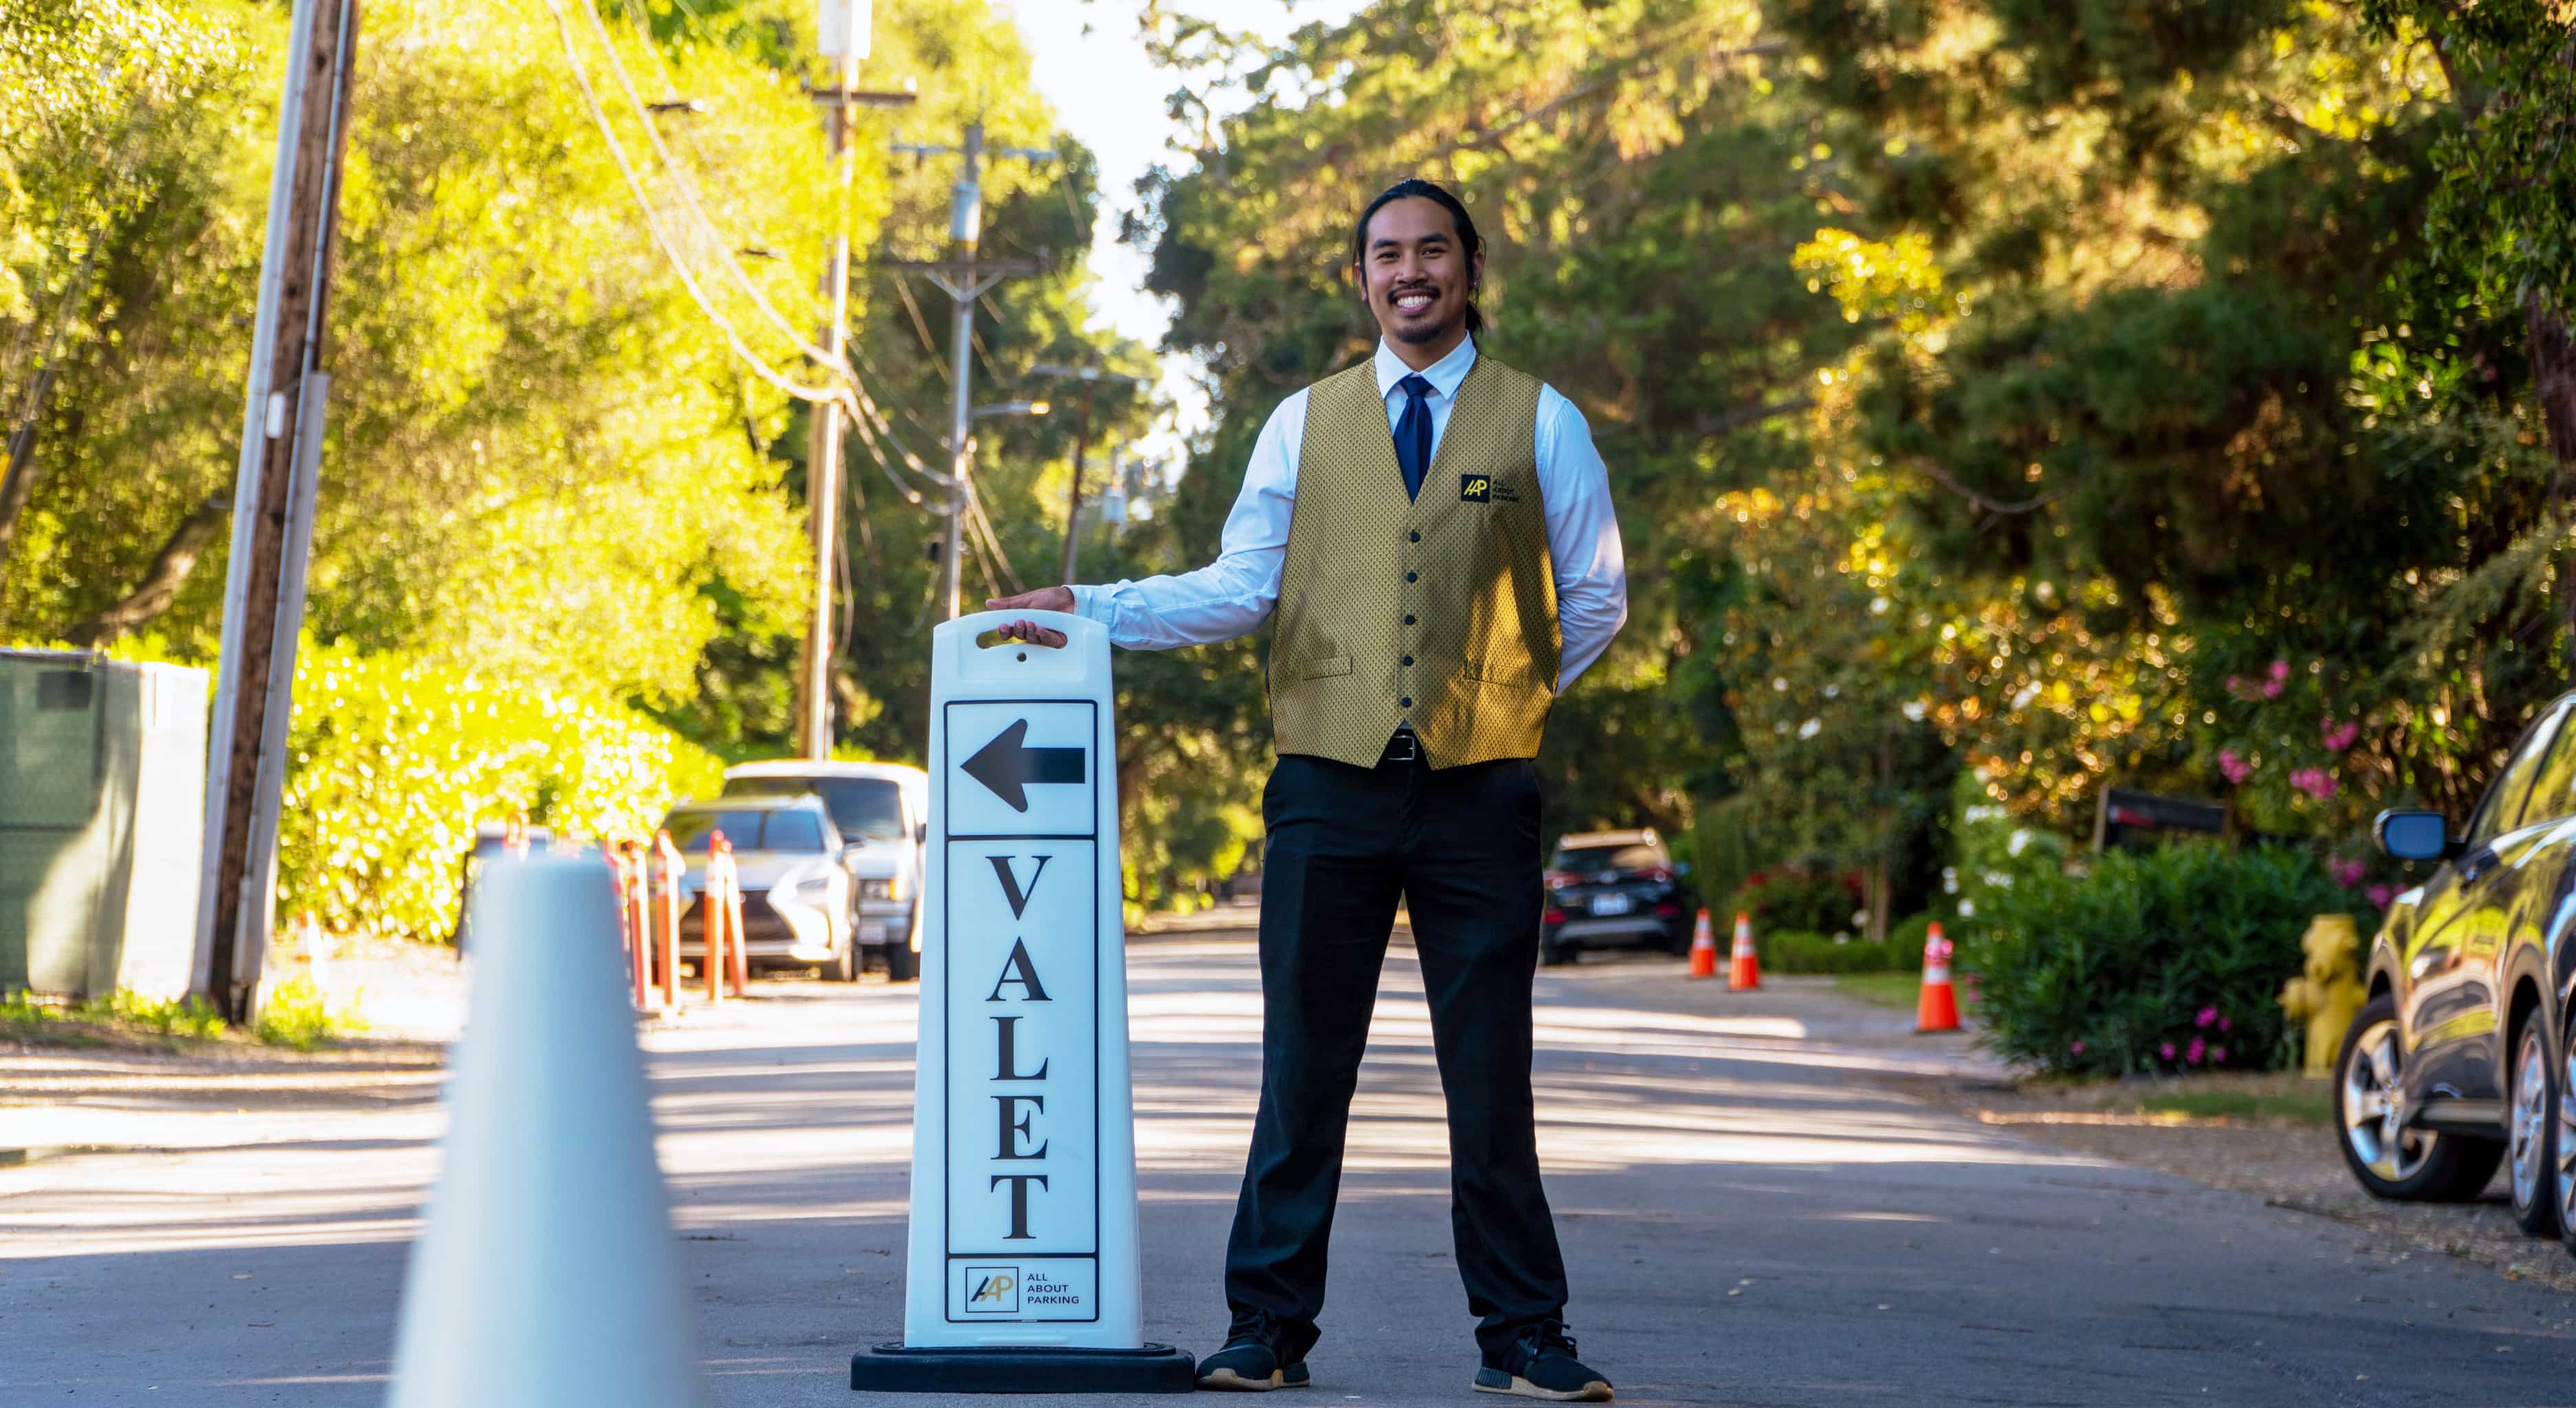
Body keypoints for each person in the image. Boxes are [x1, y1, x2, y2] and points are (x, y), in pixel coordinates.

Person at [986, 177, 1626, 1402]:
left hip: (1481, 793)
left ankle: (1524, 1337)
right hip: (1325, 788)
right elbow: (1240, 585)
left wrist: (1508, 698)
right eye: (1384, 256)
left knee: (1489, 1070)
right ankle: (1265, 1329)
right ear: (1361, 279)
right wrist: (1095, 610)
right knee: (1303, 1066)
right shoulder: (1303, 421)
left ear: (1469, 267)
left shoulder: (1541, 423)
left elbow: (1592, 596)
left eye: (1429, 251)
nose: (1407, 273)